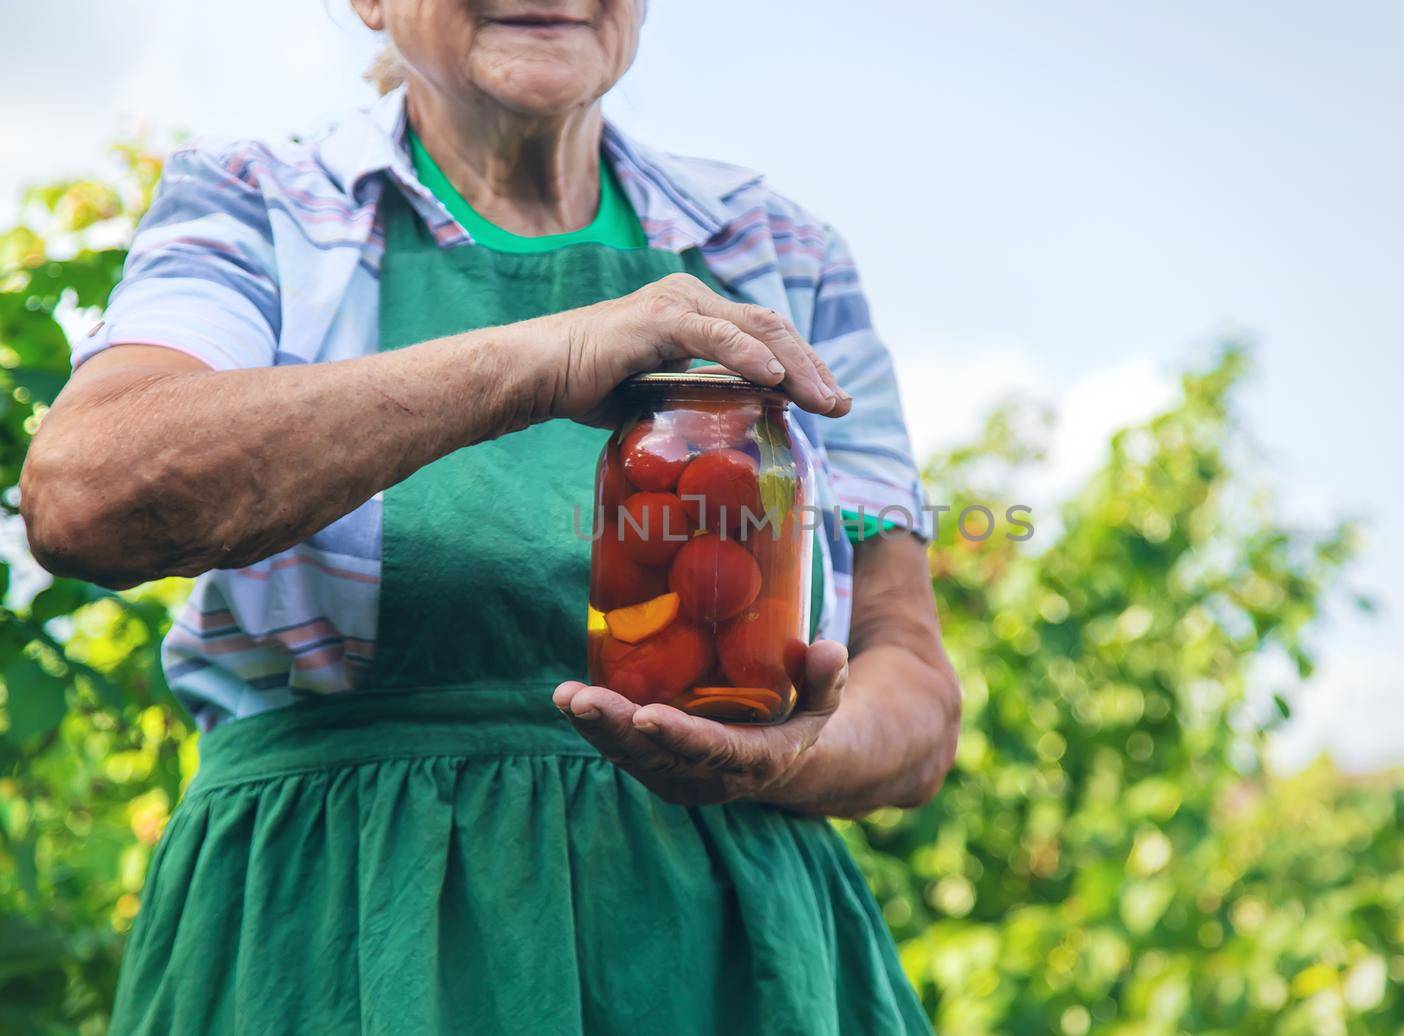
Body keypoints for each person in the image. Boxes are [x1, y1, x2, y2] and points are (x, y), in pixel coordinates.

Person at [21, 2, 960, 1032]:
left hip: (728, 962)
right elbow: (87, 496)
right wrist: (535, 361)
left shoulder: (779, 248)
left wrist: (790, 756)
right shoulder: (262, 205)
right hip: (343, 930)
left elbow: (909, 687)